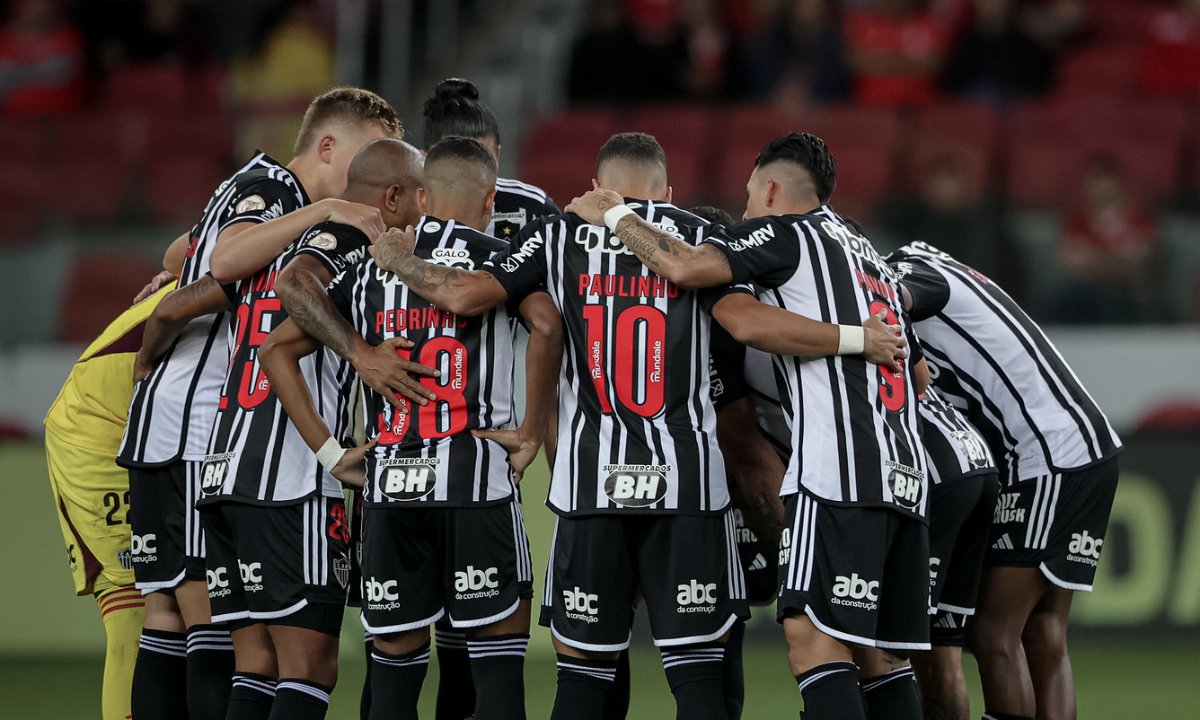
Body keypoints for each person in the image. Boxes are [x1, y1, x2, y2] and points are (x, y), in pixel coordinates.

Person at [364, 131, 908, 719]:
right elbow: (745, 320)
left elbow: (469, 297)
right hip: (688, 489)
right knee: (700, 679)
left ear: (597, 187)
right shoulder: (705, 236)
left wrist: (400, 260)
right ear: (667, 191)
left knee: (583, 676)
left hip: (591, 489)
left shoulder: (556, 234)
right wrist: (857, 340)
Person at [565, 131, 930, 720]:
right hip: (903, 475)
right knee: (880, 657)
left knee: (814, 644)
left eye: (749, 197)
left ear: (772, 188)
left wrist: (616, 214)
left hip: (839, 473)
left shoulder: (789, 232)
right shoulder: (865, 253)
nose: (743, 213)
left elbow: (685, 267)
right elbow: (917, 375)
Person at [118, 87, 401, 720]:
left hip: (185, 430)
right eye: (360, 157)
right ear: (326, 146)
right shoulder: (280, 193)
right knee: (214, 633)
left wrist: (175, 278)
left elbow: (188, 255)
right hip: (204, 429)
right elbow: (222, 258)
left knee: (173, 616)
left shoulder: (258, 194)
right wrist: (323, 208)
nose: (363, 177)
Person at [262, 136, 562, 720]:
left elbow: (275, 350)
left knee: (395, 674)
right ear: (491, 198)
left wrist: (330, 451)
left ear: (422, 196)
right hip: (475, 484)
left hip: (390, 488)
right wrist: (530, 430)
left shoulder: (366, 270)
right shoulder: (497, 257)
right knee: (496, 670)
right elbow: (547, 326)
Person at [888, 241, 1122, 720]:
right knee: (1042, 630)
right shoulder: (945, 265)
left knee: (994, 632)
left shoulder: (907, 269)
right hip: (1081, 446)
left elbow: (901, 297)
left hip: (1048, 456)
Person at [44, 284, 173, 720]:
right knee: (134, 608)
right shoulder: (238, 267)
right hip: (100, 432)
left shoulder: (228, 255)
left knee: (185, 608)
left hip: (150, 435)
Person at [910, 387, 1000, 720]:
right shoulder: (894, 335)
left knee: (895, 640)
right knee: (944, 644)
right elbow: (920, 377)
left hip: (937, 473)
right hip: (976, 459)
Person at [422, 77, 561, 242]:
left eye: (484, 159)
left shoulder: (534, 210)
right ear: (424, 159)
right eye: (456, 162)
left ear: (498, 155)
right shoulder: (404, 209)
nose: (470, 174)